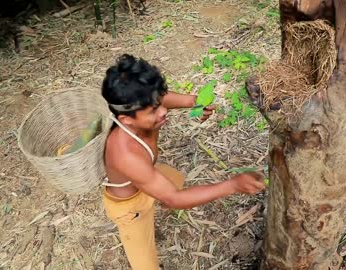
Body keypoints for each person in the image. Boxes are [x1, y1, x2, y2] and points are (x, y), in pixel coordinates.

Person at [100, 54, 265, 270]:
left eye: (160, 102)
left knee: (175, 180)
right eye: (153, 111)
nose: (163, 112)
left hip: (146, 172)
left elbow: (165, 99)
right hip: (131, 207)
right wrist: (232, 185)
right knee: (144, 262)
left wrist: (194, 102)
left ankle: (161, 193)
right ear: (126, 119)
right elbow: (174, 198)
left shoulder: (143, 104)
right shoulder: (126, 155)